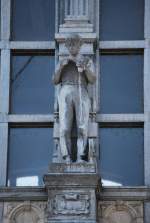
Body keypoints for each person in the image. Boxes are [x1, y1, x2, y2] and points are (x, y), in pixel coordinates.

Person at [53, 34, 96, 163]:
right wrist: (61, 67)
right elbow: (55, 80)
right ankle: (66, 156)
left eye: (75, 44)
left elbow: (93, 79)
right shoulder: (62, 62)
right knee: (65, 127)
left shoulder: (86, 60)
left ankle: (80, 157)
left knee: (82, 126)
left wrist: (85, 69)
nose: (72, 47)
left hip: (81, 89)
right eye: (70, 45)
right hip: (65, 90)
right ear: (66, 46)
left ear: (80, 45)